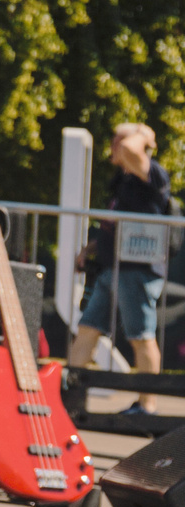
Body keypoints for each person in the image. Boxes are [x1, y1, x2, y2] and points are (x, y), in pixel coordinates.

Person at [70, 123, 174, 419]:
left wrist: (143, 132)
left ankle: (147, 406)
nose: (115, 145)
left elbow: (132, 149)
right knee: (87, 331)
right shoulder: (124, 182)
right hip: (111, 269)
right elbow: (115, 224)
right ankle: (69, 398)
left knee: (141, 336)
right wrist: (90, 249)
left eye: (119, 140)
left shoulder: (151, 173)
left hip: (137, 271)